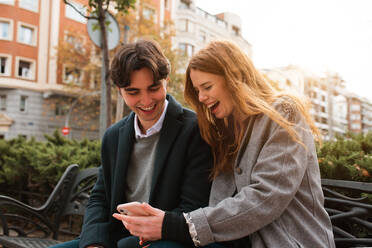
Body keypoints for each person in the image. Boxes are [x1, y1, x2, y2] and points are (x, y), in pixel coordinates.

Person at [113, 40, 336, 248]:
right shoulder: (224, 131)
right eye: (198, 90)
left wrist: (174, 224)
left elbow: (266, 197)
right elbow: (217, 202)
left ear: (234, 78)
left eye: (207, 87)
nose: (200, 98)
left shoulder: (283, 112)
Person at [50, 39, 212, 248]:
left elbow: (194, 206)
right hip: (113, 238)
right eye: (133, 92)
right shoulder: (113, 136)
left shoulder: (196, 130)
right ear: (120, 91)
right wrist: (94, 243)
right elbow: (100, 197)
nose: (146, 101)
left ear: (166, 82)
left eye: (153, 88)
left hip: (166, 239)